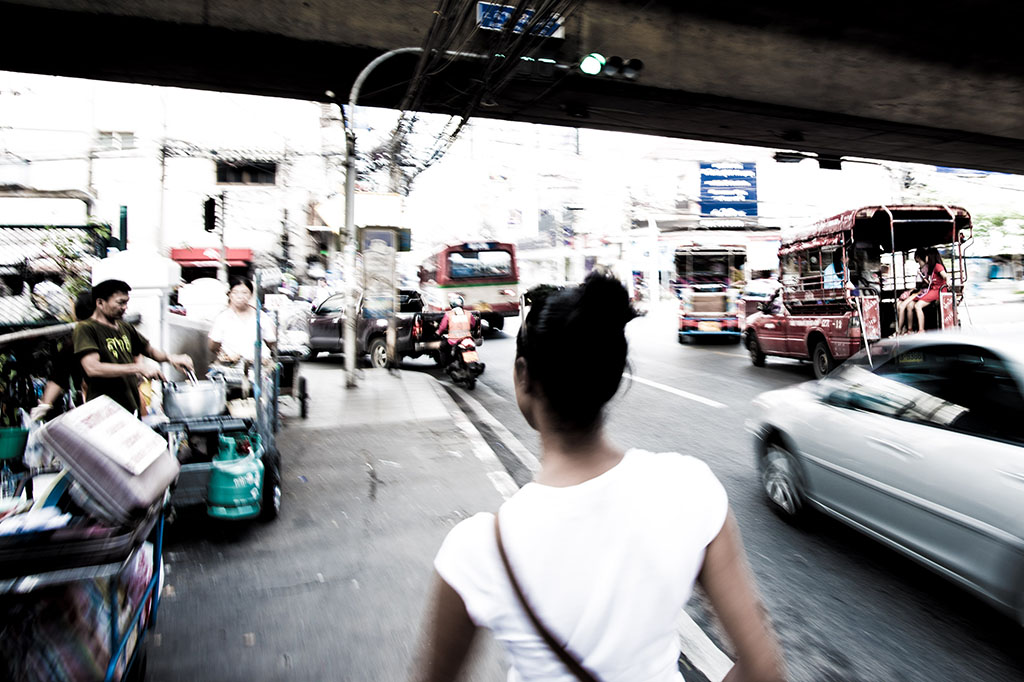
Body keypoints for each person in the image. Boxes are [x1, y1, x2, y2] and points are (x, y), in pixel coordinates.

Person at [412, 273, 787, 682]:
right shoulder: (688, 489)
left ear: (523, 377)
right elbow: (763, 668)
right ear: (612, 376)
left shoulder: (477, 550)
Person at [73, 279, 194, 416]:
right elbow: (93, 368)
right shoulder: (86, 329)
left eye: (126, 302)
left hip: (129, 406)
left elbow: (148, 350)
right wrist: (138, 368)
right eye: (120, 303)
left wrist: (171, 358)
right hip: (104, 410)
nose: (125, 307)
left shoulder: (124, 327)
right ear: (100, 302)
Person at [208, 277, 277, 366]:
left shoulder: (261, 316)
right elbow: (213, 345)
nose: (240, 296)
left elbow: (270, 341)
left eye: (244, 292)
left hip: (259, 365)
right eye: (235, 292)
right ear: (230, 294)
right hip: (232, 366)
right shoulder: (223, 318)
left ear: (251, 295)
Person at [913, 248, 949, 333]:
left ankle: (921, 330)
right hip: (933, 291)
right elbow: (931, 282)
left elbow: (945, 276)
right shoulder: (932, 268)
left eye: (926, 256)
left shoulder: (937, 266)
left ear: (930, 256)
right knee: (916, 303)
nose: (925, 257)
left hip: (938, 292)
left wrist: (948, 281)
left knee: (917, 306)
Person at [436, 294, 476, 368]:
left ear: (451, 305)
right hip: (467, 338)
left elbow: (442, 327)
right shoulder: (468, 313)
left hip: (453, 340)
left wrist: (438, 333)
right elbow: (473, 324)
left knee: (443, 347)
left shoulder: (448, 314)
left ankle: (446, 365)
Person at [896, 249, 929, 335]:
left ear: (918, 257)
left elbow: (926, 285)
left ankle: (900, 330)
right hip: (918, 292)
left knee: (904, 305)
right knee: (900, 304)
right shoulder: (921, 269)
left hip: (921, 293)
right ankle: (906, 329)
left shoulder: (925, 269)